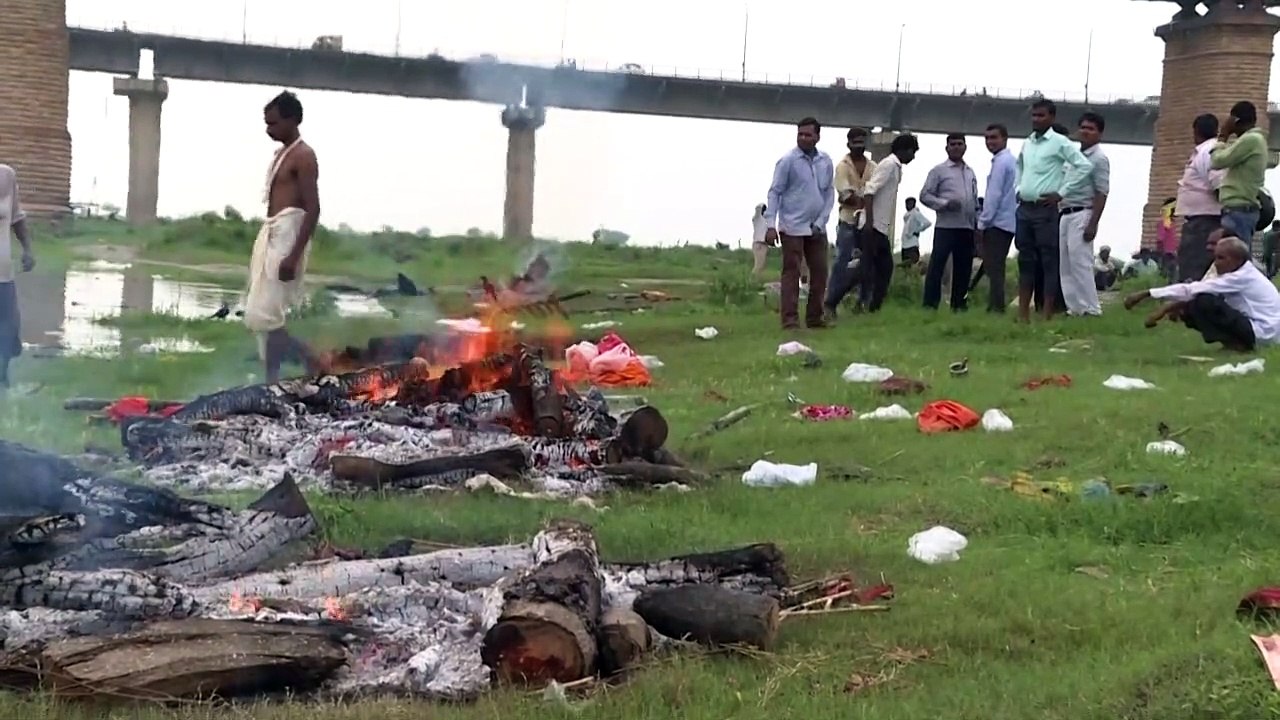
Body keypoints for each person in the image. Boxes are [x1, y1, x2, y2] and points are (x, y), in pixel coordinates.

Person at [245, 90, 323, 383]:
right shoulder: (283, 154)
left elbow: (313, 209)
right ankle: (273, 379)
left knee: (267, 315)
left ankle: (311, 361)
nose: (268, 130)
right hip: (273, 231)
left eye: (274, 124)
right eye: (266, 124)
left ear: (292, 120)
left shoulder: (304, 156)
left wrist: (293, 255)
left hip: (288, 235)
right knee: (259, 314)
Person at [1124, 236, 1280, 351]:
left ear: (1237, 260)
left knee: (1203, 301)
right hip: (1262, 330)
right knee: (1194, 305)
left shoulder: (1241, 277)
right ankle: (1234, 343)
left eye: (1221, 258)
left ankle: (1238, 344)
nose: (1216, 262)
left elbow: (1192, 289)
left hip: (1263, 333)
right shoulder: (1240, 273)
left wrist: (1146, 294)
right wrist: (1168, 308)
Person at [1014, 101, 1092, 321]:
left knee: (1049, 261)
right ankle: (1023, 315)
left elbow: (1084, 166)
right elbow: (1019, 166)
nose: (1036, 119)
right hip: (1025, 209)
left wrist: (1062, 191)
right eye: (1034, 115)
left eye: (1041, 116)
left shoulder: (1060, 142)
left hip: (1045, 210)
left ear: (1051, 117)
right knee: (1025, 261)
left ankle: (1047, 314)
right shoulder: (1027, 143)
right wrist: (1018, 187)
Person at [764, 117, 834, 329]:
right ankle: (790, 320)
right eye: (800, 134)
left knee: (820, 272)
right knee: (792, 273)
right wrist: (770, 225)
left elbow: (829, 193)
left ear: (817, 137)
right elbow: (775, 192)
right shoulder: (788, 161)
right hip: (792, 226)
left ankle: (814, 318)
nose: (803, 138)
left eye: (808, 134)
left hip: (816, 226)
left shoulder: (825, 161)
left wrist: (821, 221)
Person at [1058, 112, 1110, 317]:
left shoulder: (1099, 159)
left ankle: (1091, 308)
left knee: (1081, 263)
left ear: (1099, 133)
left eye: (1091, 128)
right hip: (1065, 212)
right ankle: (1075, 308)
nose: (1085, 132)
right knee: (1066, 265)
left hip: (1083, 212)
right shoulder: (1074, 156)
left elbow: (1102, 192)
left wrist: (1093, 223)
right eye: (1083, 127)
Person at [860, 133, 920, 312]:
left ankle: (870, 306)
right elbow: (869, 191)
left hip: (880, 226)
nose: (913, 157)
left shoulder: (895, 166)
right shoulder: (888, 164)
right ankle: (837, 299)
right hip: (874, 226)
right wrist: (869, 223)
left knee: (876, 268)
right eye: (912, 152)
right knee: (876, 268)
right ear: (905, 150)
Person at [919, 133, 979, 311]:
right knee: (937, 266)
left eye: (960, 144)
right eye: (952, 144)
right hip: (946, 227)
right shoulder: (939, 171)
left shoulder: (970, 172)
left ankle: (959, 305)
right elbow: (924, 195)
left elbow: (974, 200)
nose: (956, 147)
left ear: (965, 147)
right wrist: (944, 204)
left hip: (966, 227)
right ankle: (930, 305)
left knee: (964, 268)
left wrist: (977, 225)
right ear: (947, 148)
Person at [823, 127, 878, 321]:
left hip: (868, 222)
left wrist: (864, 200)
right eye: (855, 142)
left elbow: (877, 192)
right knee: (842, 262)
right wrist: (866, 200)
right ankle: (830, 304)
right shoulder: (843, 166)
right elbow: (845, 195)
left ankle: (863, 303)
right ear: (848, 144)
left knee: (868, 264)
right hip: (848, 221)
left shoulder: (873, 166)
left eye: (862, 142)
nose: (859, 146)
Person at [1211, 100, 1268, 250]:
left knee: (1234, 261)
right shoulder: (1253, 140)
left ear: (1235, 120)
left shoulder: (1250, 140)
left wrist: (1223, 136)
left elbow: (1217, 161)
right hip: (1239, 209)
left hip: (1239, 210)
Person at [1176, 114, 1226, 281]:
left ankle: (1193, 305)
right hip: (1201, 221)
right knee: (1192, 267)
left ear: (1195, 131)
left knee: (1194, 269)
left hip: (1205, 222)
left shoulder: (1208, 151)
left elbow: (1219, 184)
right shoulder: (1205, 151)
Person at [977, 123, 1017, 313]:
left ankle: (996, 307)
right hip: (1008, 221)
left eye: (994, 138)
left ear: (1004, 139)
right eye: (987, 138)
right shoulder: (1011, 161)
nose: (990, 142)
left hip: (997, 222)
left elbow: (993, 195)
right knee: (995, 267)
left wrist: (983, 222)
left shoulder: (1001, 163)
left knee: (994, 269)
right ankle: (995, 305)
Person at [0, 166, 33, 389]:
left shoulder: (6, 176)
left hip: (2, 273)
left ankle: (2, 379)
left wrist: (27, 249)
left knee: (8, 326)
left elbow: (16, 218)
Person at [900, 197, 931, 266]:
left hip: (912, 244)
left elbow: (927, 223)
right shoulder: (907, 216)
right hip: (905, 245)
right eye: (906, 204)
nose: (907, 205)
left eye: (909, 203)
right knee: (905, 268)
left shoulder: (915, 213)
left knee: (913, 266)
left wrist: (917, 231)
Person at [1156, 197, 1178, 280]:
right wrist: (1162, 252)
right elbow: (1160, 239)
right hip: (1167, 254)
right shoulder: (1166, 222)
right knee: (1167, 277)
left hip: (1171, 254)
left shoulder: (1170, 223)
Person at [750, 203, 769, 275]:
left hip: (764, 244)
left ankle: (756, 280)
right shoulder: (756, 218)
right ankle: (752, 280)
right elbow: (758, 208)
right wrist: (762, 205)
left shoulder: (766, 220)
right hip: (758, 243)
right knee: (758, 265)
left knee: (761, 265)